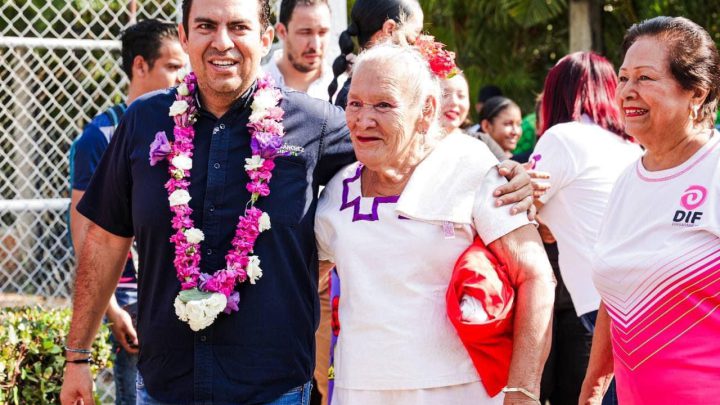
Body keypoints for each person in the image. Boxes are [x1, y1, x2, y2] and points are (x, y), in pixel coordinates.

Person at [59, 0, 534, 404]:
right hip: (165, 386)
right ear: (185, 36)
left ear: (267, 35)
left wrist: (501, 171)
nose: (221, 41)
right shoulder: (144, 122)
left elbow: (406, 147)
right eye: (206, 26)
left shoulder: (317, 124)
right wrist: (77, 356)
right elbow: (104, 240)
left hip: (274, 388)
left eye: (239, 26)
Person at [316, 41, 555, 405]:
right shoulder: (336, 190)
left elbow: (535, 276)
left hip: (463, 391)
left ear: (426, 110)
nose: (364, 119)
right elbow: (301, 284)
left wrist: (522, 391)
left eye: (384, 104)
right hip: (358, 390)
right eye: (355, 103)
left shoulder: (470, 168)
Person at [580, 16, 720, 404]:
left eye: (644, 78)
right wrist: (592, 390)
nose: (627, 91)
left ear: (696, 91)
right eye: (623, 78)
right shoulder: (627, 180)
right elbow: (618, 291)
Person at [68, 19, 185, 405]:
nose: (183, 76)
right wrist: (113, 309)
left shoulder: (189, 124)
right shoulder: (100, 136)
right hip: (132, 301)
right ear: (139, 66)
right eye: (172, 66)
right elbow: (87, 232)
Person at [529, 52, 641, 405]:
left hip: (603, 299)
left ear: (555, 94)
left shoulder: (561, 138)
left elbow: (514, 209)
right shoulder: (630, 146)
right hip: (644, 293)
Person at [328, 0, 424, 107]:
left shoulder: (354, 92)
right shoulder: (356, 97)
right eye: (411, 41)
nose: (416, 49)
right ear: (389, 29)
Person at [262, 0, 344, 100]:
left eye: (322, 32)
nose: (315, 45)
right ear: (282, 32)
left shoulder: (344, 89)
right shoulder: (255, 85)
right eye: (305, 32)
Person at [440, 73, 506, 161]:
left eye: (461, 96)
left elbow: (507, 171)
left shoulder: (483, 142)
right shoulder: (417, 145)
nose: (454, 102)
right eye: (445, 94)